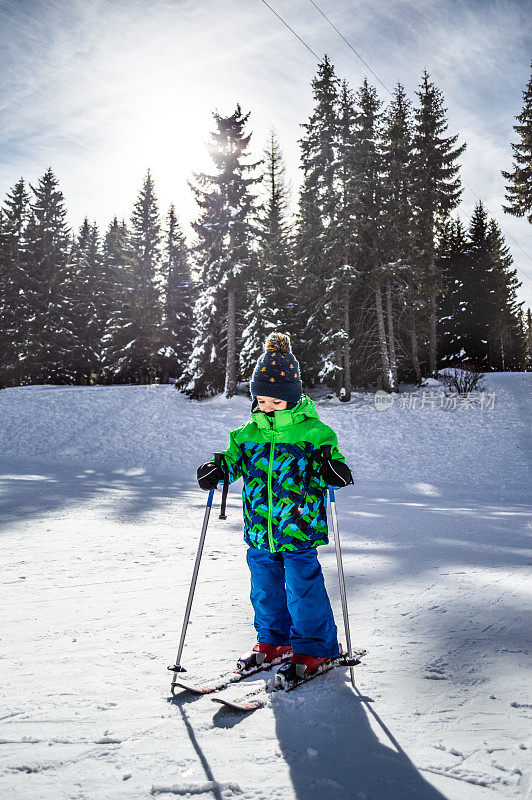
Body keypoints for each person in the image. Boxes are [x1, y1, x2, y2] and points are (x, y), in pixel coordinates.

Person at [197, 331, 354, 683]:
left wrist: (335, 470)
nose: (265, 406)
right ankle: (274, 641)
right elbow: (234, 463)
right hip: (259, 529)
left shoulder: (313, 432)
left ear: (292, 398)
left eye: (274, 401)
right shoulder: (245, 434)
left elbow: (337, 464)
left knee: (302, 589)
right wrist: (218, 470)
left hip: (298, 527)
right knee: (265, 589)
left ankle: (315, 647)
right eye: (261, 399)